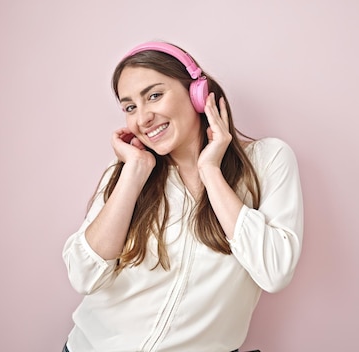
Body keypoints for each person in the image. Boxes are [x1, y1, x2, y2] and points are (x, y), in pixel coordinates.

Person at [62, 41, 304, 352]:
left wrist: (210, 171)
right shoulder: (129, 170)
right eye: (130, 107)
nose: (143, 118)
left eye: (154, 95)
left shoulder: (268, 160)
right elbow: (83, 276)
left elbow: (275, 272)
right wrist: (133, 173)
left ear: (197, 94)